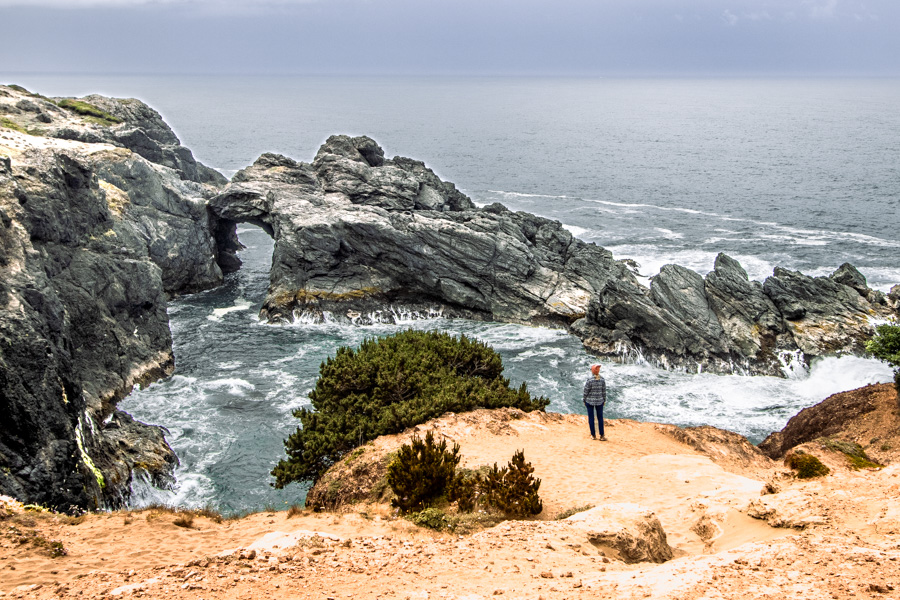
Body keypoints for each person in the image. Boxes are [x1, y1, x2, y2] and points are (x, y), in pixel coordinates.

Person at [583, 363, 607, 441]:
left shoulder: (590, 380)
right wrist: (604, 399)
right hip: (600, 401)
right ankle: (602, 435)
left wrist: (584, 399)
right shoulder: (602, 379)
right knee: (600, 418)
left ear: (592, 371)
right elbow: (604, 391)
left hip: (590, 401)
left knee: (591, 418)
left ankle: (593, 435)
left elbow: (586, 391)